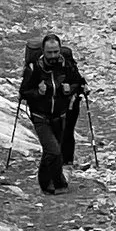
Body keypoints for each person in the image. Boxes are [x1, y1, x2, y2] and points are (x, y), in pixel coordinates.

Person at [18, 32, 88, 193]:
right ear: (43, 51)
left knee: (51, 151)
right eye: (49, 52)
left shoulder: (66, 65)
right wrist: (39, 92)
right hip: (40, 116)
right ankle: (59, 184)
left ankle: (45, 183)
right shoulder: (34, 68)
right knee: (54, 151)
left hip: (60, 115)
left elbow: (78, 82)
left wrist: (71, 89)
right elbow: (24, 92)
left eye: (56, 51)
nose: (53, 55)